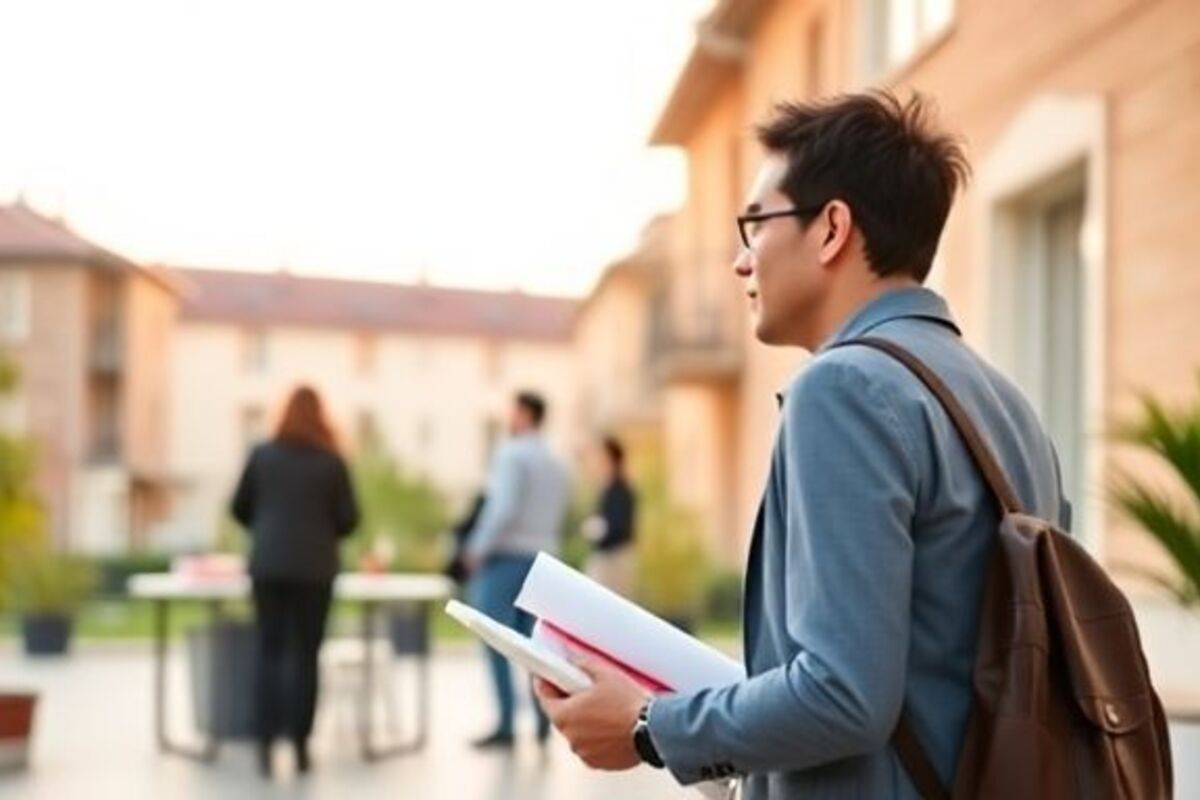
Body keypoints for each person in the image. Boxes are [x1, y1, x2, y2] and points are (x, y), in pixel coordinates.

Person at [535, 92, 1071, 799]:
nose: (740, 261)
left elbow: (844, 694)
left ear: (832, 230)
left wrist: (646, 725)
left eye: (754, 223)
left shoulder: (844, 388)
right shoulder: (1007, 405)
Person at [231, 385, 360, 778]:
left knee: (268, 653)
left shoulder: (262, 455)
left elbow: (238, 507)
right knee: (306, 655)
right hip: (315, 568)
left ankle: (266, 744)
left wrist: (268, 527)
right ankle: (301, 745)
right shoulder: (331, 461)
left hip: (269, 566)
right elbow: (349, 519)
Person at [465, 391, 571, 750]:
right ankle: (543, 719)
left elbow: (502, 508)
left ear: (524, 414)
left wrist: (477, 549)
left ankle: (507, 723)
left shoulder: (512, 454)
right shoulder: (557, 463)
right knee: (537, 646)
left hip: (507, 557)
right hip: (544, 560)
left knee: (496, 638)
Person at [581, 436, 637, 596]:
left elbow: (618, 526)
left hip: (615, 557)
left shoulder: (620, 489)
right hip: (606, 555)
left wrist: (597, 530)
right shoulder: (606, 488)